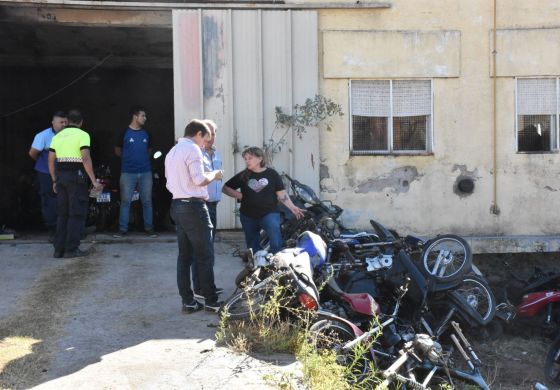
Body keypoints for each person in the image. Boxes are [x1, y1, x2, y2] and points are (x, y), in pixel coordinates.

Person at [165, 119, 224, 314]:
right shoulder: (193, 150)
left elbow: (169, 184)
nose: (205, 143)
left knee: (185, 256)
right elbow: (199, 179)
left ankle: (188, 301)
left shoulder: (172, 152)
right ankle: (211, 300)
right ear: (198, 134)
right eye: (205, 138)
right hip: (194, 206)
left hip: (177, 205)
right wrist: (214, 174)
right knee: (204, 255)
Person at [222, 146, 304, 255]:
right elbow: (225, 188)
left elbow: (281, 194)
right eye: (245, 159)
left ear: (260, 159)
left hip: (269, 213)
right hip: (248, 216)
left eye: (250, 158)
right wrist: (240, 195)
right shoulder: (244, 175)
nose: (247, 161)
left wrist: (292, 207)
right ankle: (257, 266)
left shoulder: (272, 174)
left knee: (276, 241)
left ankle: (277, 261)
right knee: (252, 246)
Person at [48, 109, 102, 258]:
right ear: (81, 122)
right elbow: (85, 158)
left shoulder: (57, 136)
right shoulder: (83, 135)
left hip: (61, 177)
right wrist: (93, 180)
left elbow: (51, 160)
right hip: (76, 178)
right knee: (76, 214)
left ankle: (58, 250)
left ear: (68, 121)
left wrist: (54, 180)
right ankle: (71, 249)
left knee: (62, 214)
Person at [191, 119, 223, 300]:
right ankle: (200, 288)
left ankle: (208, 285)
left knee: (208, 249)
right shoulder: (197, 153)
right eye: (208, 132)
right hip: (202, 205)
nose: (211, 136)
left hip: (214, 204)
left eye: (214, 132)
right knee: (201, 249)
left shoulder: (216, 153)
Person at [113, 106, 156, 237]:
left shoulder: (147, 133)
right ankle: (122, 229)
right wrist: (129, 159)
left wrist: (142, 160)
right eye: (143, 116)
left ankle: (149, 228)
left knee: (147, 201)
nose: (145, 118)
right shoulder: (124, 132)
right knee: (125, 201)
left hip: (145, 172)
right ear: (135, 116)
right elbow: (117, 150)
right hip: (128, 172)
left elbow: (149, 149)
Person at [29, 111, 68, 240]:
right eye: (60, 122)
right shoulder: (43, 136)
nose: (63, 124)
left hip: (65, 172)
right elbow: (33, 153)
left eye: (65, 122)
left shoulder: (70, 135)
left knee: (66, 200)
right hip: (46, 174)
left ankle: (68, 229)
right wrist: (43, 165)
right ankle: (52, 230)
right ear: (53, 122)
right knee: (49, 201)